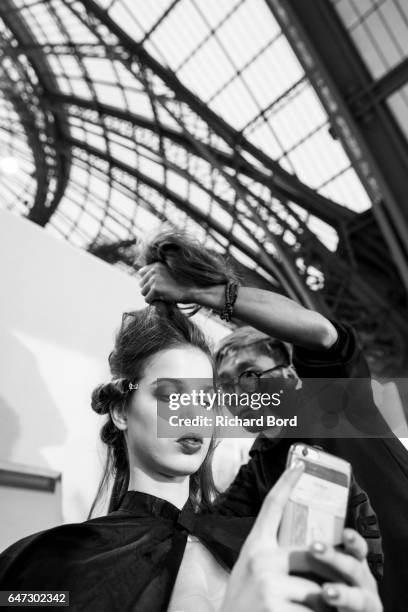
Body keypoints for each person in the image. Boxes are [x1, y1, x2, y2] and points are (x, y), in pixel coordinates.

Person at [0, 269, 381, 611]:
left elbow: (326, 341)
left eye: (206, 399)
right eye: (170, 396)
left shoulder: (267, 539)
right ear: (120, 411)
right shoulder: (43, 561)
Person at [137, 230, 408, 612]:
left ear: (292, 373)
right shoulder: (259, 469)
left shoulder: (335, 402)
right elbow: (199, 529)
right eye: (227, 386)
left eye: (250, 372)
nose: (242, 393)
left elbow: (320, 333)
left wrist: (201, 293)